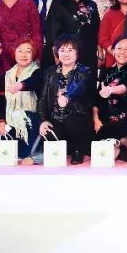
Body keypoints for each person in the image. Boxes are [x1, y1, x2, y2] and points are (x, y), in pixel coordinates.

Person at [37, 35, 95, 165]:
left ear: (77, 52)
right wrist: (43, 120)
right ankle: (63, 149)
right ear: (57, 52)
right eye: (62, 50)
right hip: (55, 117)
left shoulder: (84, 71)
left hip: (77, 116)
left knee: (73, 123)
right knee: (49, 132)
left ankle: (78, 150)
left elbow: (79, 88)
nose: (66, 54)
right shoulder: (50, 72)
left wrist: (67, 97)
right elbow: (43, 98)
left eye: (70, 50)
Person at [93, 36, 127, 161]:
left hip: (125, 118)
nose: (122, 52)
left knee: (107, 150)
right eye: (119, 48)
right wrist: (95, 119)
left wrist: (110, 90)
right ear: (113, 51)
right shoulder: (105, 72)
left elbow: (126, 88)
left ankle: (123, 143)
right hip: (105, 118)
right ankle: (122, 144)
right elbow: (97, 99)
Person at [44, 0, 101, 70]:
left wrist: (99, 51)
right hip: (67, 55)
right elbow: (52, 34)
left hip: (90, 54)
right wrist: (57, 57)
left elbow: (97, 30)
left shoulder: (91, 5)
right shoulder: (58, 5)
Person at [0, 40, 44, 164]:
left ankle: (33, 152)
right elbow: (1, 102)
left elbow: (34, 82)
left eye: (28, 51)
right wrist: (1, 122)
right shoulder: (6, 75)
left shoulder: (38, 72)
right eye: (20, 51)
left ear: (33, 54)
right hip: (11, 116)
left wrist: (21, 85)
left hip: (32, 116)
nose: (24, 55)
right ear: (14, 53)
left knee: (25, 153)